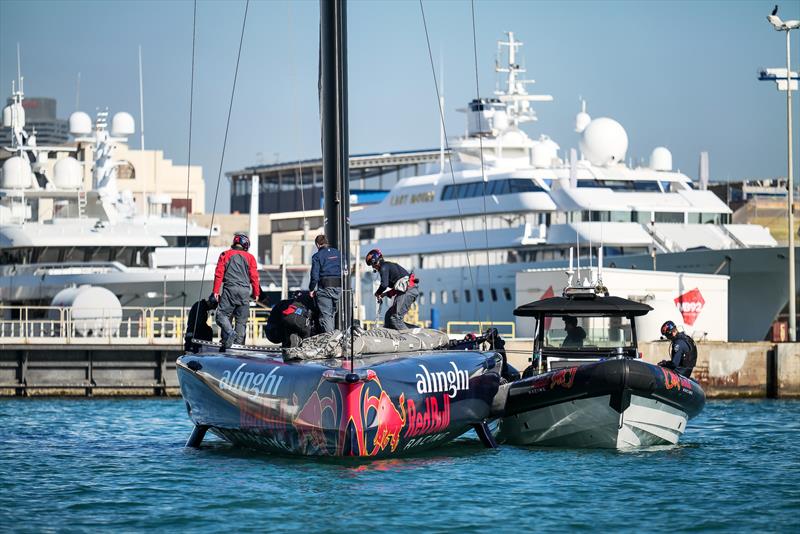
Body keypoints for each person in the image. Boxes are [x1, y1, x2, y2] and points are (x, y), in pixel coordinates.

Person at [212, 233, 260, 350]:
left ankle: (229, 334)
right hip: (244, 293)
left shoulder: (225, 255)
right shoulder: (251, 258)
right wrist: (256, 293)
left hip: (230, 290)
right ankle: (238, 347)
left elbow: (219, 274)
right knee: (241, 322)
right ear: (246, 245)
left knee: (221, 315)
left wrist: (216, 291)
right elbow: (254, 277)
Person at [365, 249, 419, 330]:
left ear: (376, 262)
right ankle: (416, 330)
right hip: (406, 291)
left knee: (395, 319)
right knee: (388, 317)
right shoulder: (387, 267)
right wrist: (384, 294)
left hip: (408, 291)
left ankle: (409, 338)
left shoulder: (384, 267)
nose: (373, 267)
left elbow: (384, 285)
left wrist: (377, 293)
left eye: (373, 265)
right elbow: (398, 287)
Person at [309, 234, 342, 333]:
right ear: (326, 243)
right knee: (334, 313)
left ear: (318, 245)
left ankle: (330, 341)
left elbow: (314, 276)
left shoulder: (317, 256)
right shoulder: (338, 253)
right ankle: (337, 337)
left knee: (326, 315)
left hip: (325, 288)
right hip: (339, 288)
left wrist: (311, 289)